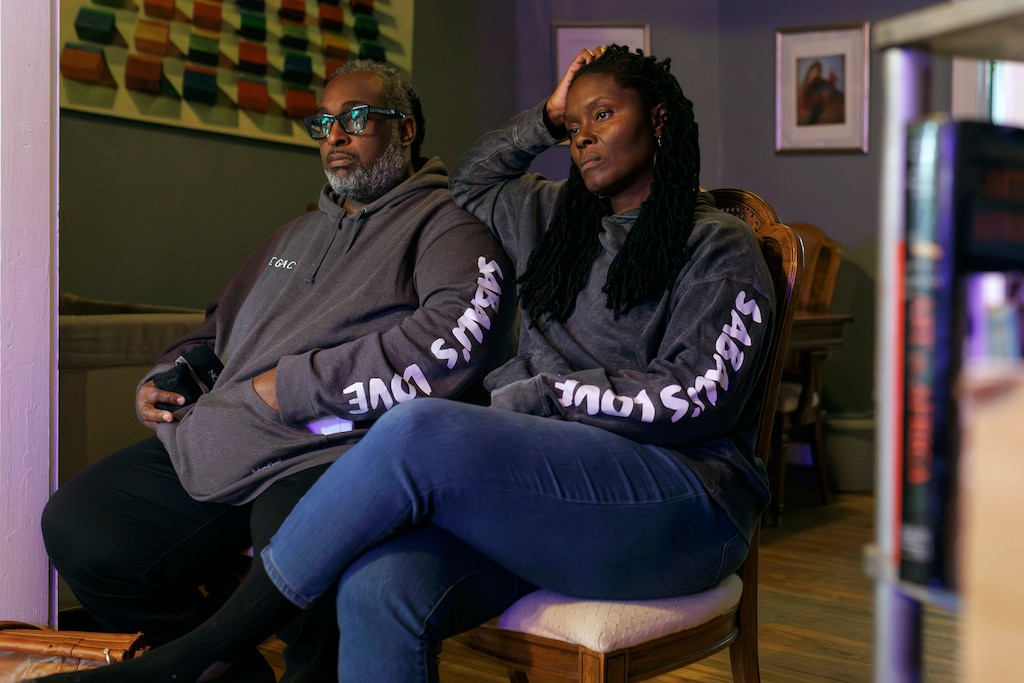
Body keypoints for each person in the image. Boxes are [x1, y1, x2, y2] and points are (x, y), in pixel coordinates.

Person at [31, 44, 775, 683]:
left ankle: (193, 654)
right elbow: (472, 181)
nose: (581, 137)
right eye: (572, 124)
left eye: (602, 115)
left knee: (421, 428)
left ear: (661, 120)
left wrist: (544, 397)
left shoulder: (718, 248)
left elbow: (697, 398)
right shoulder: (554, 221)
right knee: (377, 588)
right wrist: (543, 117)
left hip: (680, 501)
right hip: (556, 496)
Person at [39, 60, 516, 682]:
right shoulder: (295, 234)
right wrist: (170, 374)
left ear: (407, 129)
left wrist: (293, 386)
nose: (334, 137)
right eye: (324, 123)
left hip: (332, 451)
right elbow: (216, 328)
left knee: (302, 575)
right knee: (81, 526)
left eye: (355, 119)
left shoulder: (449, 226)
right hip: (225, 434)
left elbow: (454, 338)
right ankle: (228, 673)